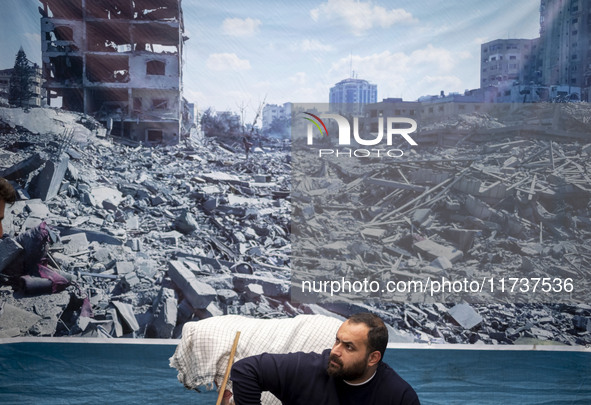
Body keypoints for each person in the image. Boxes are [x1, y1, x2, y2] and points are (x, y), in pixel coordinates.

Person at [229, 312, 420, 405]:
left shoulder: (400, 398)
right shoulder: (306, 370)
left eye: (348, 347)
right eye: (337, 341)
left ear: (373, 358)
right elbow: (245, 370)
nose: (335, 351)